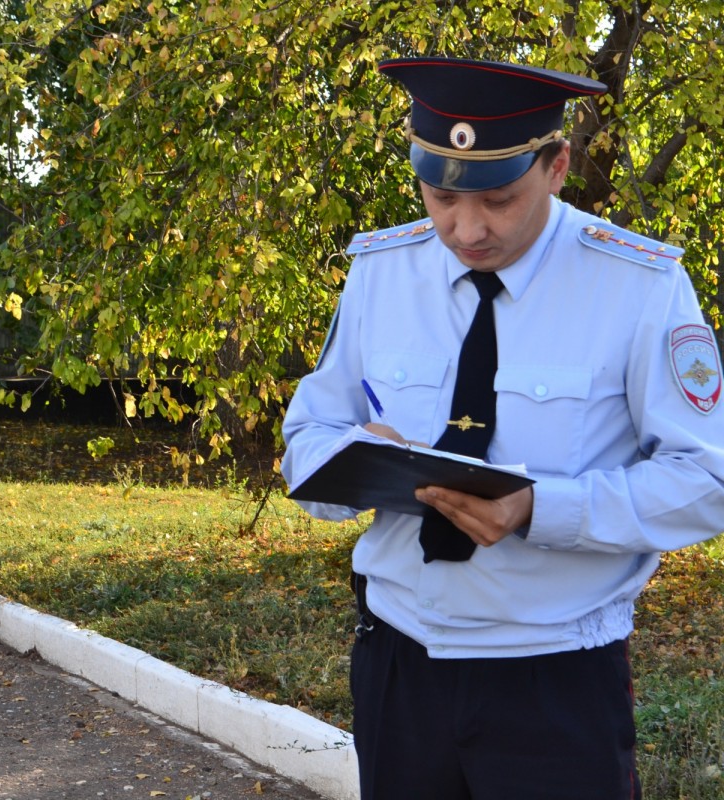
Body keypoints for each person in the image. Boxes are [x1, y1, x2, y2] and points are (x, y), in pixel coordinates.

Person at [281, 56, 724, 799]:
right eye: (440, 195)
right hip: (398, 667)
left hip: (553, 679)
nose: (465, 228)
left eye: (498, 198)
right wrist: (353, 462)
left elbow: (706, 478)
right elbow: (308, 435)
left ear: (556, 166)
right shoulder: (381, 272)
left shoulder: (639, 287)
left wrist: (538, 509)